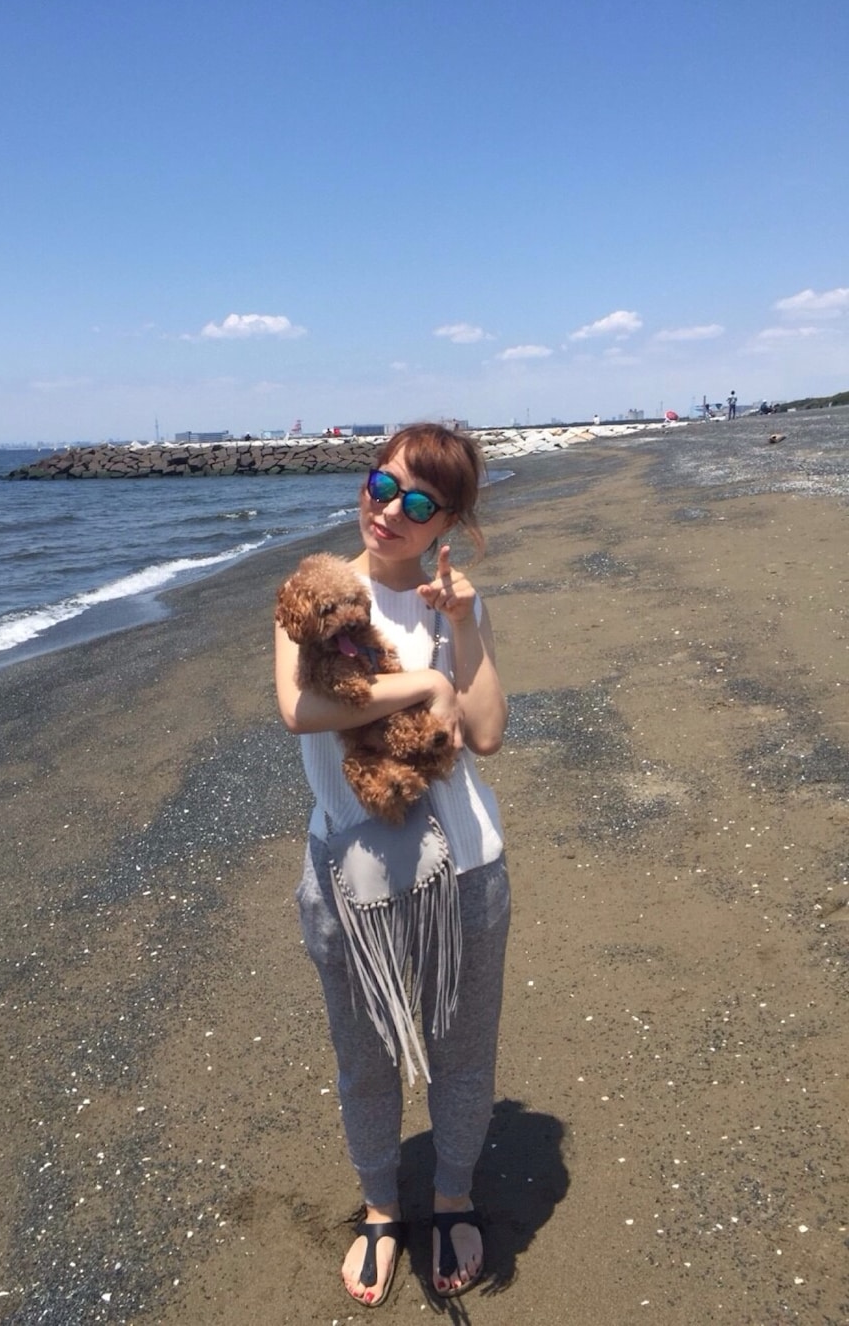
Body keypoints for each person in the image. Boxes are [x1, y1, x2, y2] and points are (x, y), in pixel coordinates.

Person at [275, 422, 510, 1305]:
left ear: (447, 521)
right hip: (348, 872)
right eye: (382, 485)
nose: (389, 511)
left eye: (418, 502)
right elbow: (301, 708)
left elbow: (485, 733)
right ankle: (380, 1205)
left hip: (468, 867)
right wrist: (426, 684)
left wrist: (463, 632)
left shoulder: (455, 605)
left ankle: (452, 1196)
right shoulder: (316, 591)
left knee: (462, 1049)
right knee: (363, 1055)